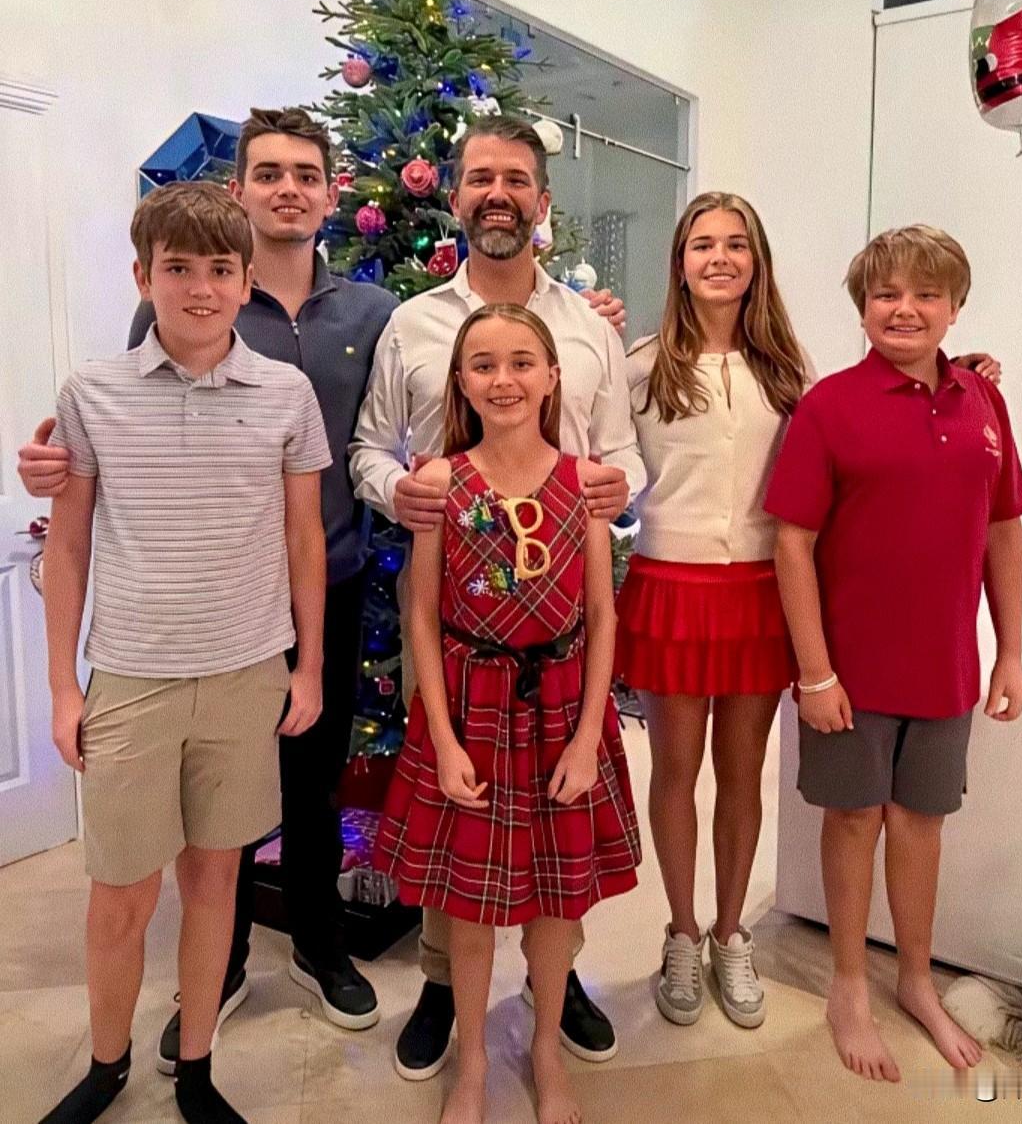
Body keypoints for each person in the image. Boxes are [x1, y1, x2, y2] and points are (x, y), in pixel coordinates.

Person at [18, 109, 397, 1062]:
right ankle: (215, 970)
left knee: (311, 790)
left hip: (322, 584)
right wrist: (49, 466)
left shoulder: (371, 312)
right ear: (241, 188)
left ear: (330, 193)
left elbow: (409, 413)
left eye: (305, 173)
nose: (288, 188)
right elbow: (125, 430)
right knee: (190, 836)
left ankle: (317, 943)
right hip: (183, 614)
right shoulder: (178, 306)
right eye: (268, 172)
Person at [351, 115, 644, 1080]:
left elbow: (619, 454)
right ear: (456, 195)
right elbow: (370, 448)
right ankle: (447, 987)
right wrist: (401, 489)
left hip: (560, 613)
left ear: (541, 200)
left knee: (556, 829)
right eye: (480, 177)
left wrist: (618, 489)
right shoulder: (412, 325)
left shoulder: (588, 328)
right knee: (463, 826)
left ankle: (556, 989)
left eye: (516, 178)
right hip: (456, 611)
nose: (497, 194)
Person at [39, 182, 331, 1124]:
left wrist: (309, 666)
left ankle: (197, 1064)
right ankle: (106, 1062)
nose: (199, 288)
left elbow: (303, 539)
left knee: (216, 882)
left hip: (247, 674)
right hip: (132, 677)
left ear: (246, 281)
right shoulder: (92, 393)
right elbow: (68, 545)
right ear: (144, 277)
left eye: (218, 269)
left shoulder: (285, 393)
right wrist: (63, 688)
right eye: (177, 269)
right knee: (120, 893)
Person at [766, 225, 1022, 1082]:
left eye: (925, 294)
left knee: (922, 823)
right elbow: (793, 542)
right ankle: (848, 983)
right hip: (850, 669)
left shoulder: (983, 404)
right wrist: (815, 671)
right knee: (853, 820)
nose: (904, 309)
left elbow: (1002, 530)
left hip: (946, 666)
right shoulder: (829, 405)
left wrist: (1010, 652)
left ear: (955, 308)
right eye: (886, 294)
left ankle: (915, 977)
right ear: (863, 307)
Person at [614, 192, 813, 1030]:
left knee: (741, 771)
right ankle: (681, 930)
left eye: (736, 244)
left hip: (761, 589)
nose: (720, 257)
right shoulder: (641, 366)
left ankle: (731, 932)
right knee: (674, 769)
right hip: (671, 585)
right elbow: (604, 458)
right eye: (703, 244)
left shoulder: (789, 374)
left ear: (756, 261)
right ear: (681, 262)